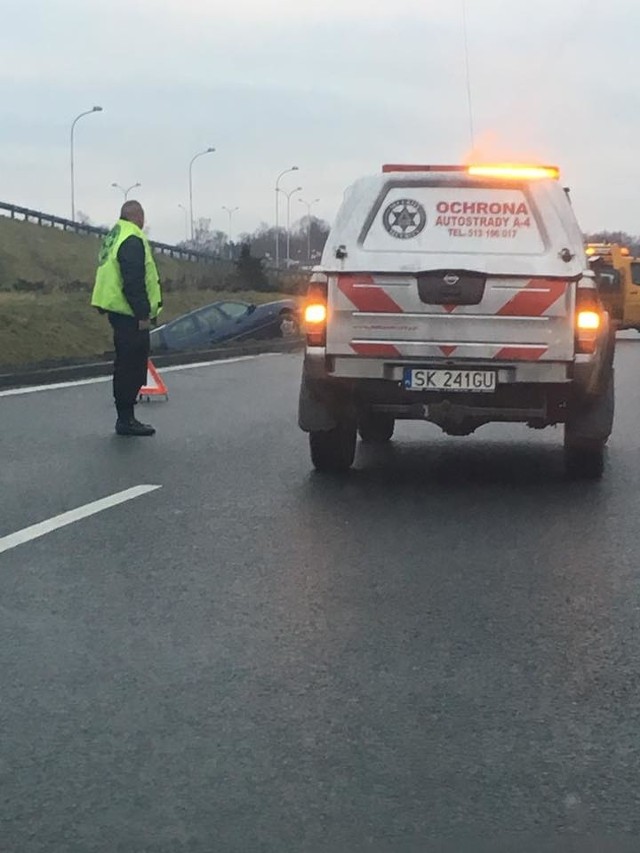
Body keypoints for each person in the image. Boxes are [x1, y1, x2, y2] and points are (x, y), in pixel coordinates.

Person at [91, 201, 163, 436]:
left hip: (118, 309)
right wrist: (142, 313)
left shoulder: (116, 234)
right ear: (137, 216)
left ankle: (125, 417)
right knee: (131, 365)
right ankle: (126, 419)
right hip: (129, 312)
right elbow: (133, 279)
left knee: (125, 363)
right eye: (143, 216)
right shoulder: (132, 237)